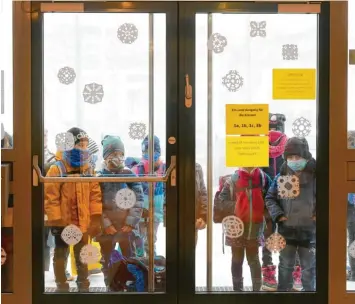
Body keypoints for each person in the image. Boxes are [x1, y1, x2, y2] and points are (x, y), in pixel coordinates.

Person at [44, 127, 102, 292]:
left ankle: (84, 285)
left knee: (83, 255)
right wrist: (55, 219)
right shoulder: (58, 169)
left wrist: (95, 216)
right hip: (63, 222)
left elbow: (95, 194)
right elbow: (51, 196)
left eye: (85, 145)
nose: (83, 148)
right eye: (79, 145)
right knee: (61, 255)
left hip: (83, 222)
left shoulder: (89, 169)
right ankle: (62, 286)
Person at [265, 137, 316, 291]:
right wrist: (279, 215)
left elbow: (328, 197)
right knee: (285, 265)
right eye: (290, 157)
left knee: (308, 267)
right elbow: (270, 197)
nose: (294, 160)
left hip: (310, 231)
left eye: (297, 157)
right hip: (286, 230)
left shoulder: (316, 177)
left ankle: (311, 296)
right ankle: (284, 295)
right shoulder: (281, 176)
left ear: (306, 157)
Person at [96, 135, 144, 290]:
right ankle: (111, 285)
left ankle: (128, 285)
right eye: (113, 154)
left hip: (125, 228)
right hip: (107, 229)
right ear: (106, 156)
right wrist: (105, 224)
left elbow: (138, 200)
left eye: (120, 154)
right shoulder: (99, 176)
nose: (118, 158)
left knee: (129, 258)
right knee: (107, 259)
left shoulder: (129, 175)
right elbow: (96, 203)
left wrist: (131, 223)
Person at [215, 166, 271, 291]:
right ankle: (237, 290)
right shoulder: (233, 179)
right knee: (237, 258)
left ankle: (257, 291)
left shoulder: (263, 178)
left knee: (253, 259)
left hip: (255, 227)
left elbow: (271, 198)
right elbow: (221, 200)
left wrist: (265, 213)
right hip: (236, 227)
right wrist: (239, 206)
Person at [261, 130, 287, 291]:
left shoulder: (290, 149)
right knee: (267, 238)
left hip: (286, 201)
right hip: (265, 201)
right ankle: (268, 273)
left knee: (288, 237)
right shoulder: (256, 149)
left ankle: (290, 272)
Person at [131, 135, 165, 257]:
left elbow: (166, 191)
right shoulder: (136, 169)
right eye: (146, 151)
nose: (150, 154)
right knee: (139, 238)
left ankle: (152, 260)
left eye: (154, 151)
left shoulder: (164, 169)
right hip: (141, 211)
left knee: (151, 238)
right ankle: (140, 262)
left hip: (156, 211)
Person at [195, 163, 207, 245]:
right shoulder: (172, 165)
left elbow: (203, 193)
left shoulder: (197, 168)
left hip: (194, 217)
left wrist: (203, 216)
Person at [347, 193, 355, 282]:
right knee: (353, 242)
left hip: (350, 207)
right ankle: (353, 274)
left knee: (352, 242)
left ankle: (353, 274)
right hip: (351, 208)